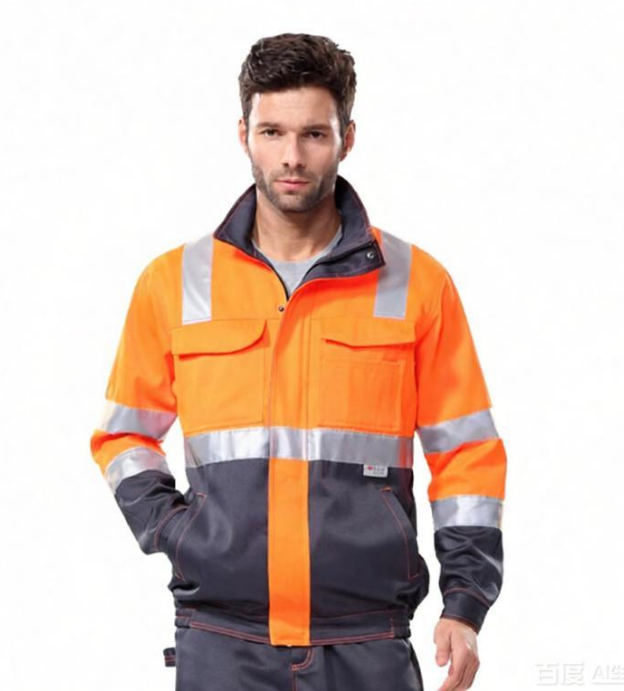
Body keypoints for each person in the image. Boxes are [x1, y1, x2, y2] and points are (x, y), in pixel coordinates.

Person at [90, 32, 507, 691]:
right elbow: (123, 436)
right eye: (272, 132)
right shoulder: (174, 283)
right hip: (222, 640)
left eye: (314, 133)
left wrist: (465, 601)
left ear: (347, 137)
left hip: (368, 640)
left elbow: (466, 454)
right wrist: (177, 531)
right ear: (243, 135)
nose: (291, 156)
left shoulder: (416, 283)